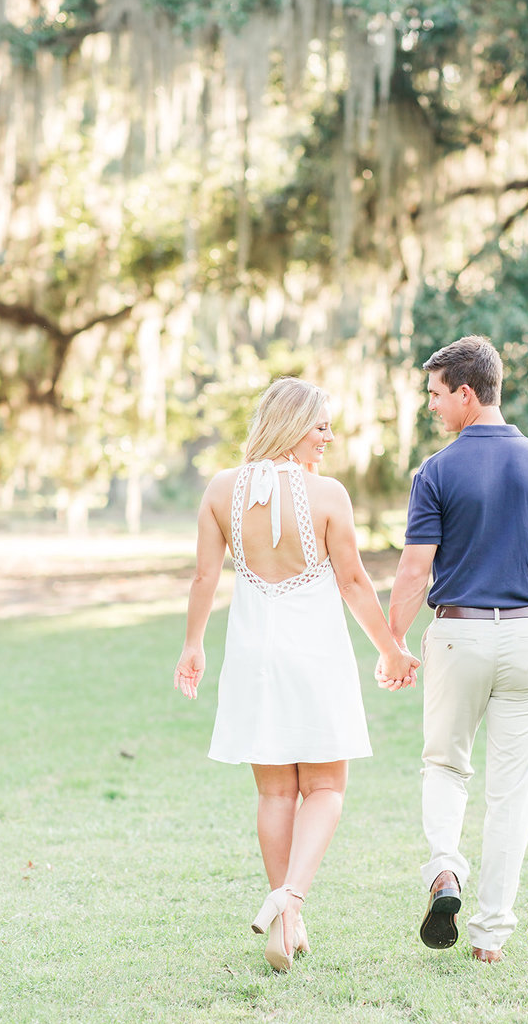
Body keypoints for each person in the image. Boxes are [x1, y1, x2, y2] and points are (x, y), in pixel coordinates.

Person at [174, 377, 419, 973]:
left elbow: (205, 578)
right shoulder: (327, 494)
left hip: (254, 652)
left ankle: (287, 923)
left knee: (275, 790)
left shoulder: (219, 490)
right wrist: (389, 650)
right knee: (327, 789)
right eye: (320, 426)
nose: (329, 438)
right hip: (315, 653)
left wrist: (192, 645)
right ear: (289, 424)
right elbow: (354, 583)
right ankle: (291, 898)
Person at [380, 335, 528, 962]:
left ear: (467, 394)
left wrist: (393, 645)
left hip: (458, 633)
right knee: (511, 793)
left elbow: (414, 573)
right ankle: (490, 936)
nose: (433, 407)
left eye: (437, 395)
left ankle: (445, 869)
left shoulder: (436, 471)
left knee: (444, 765)